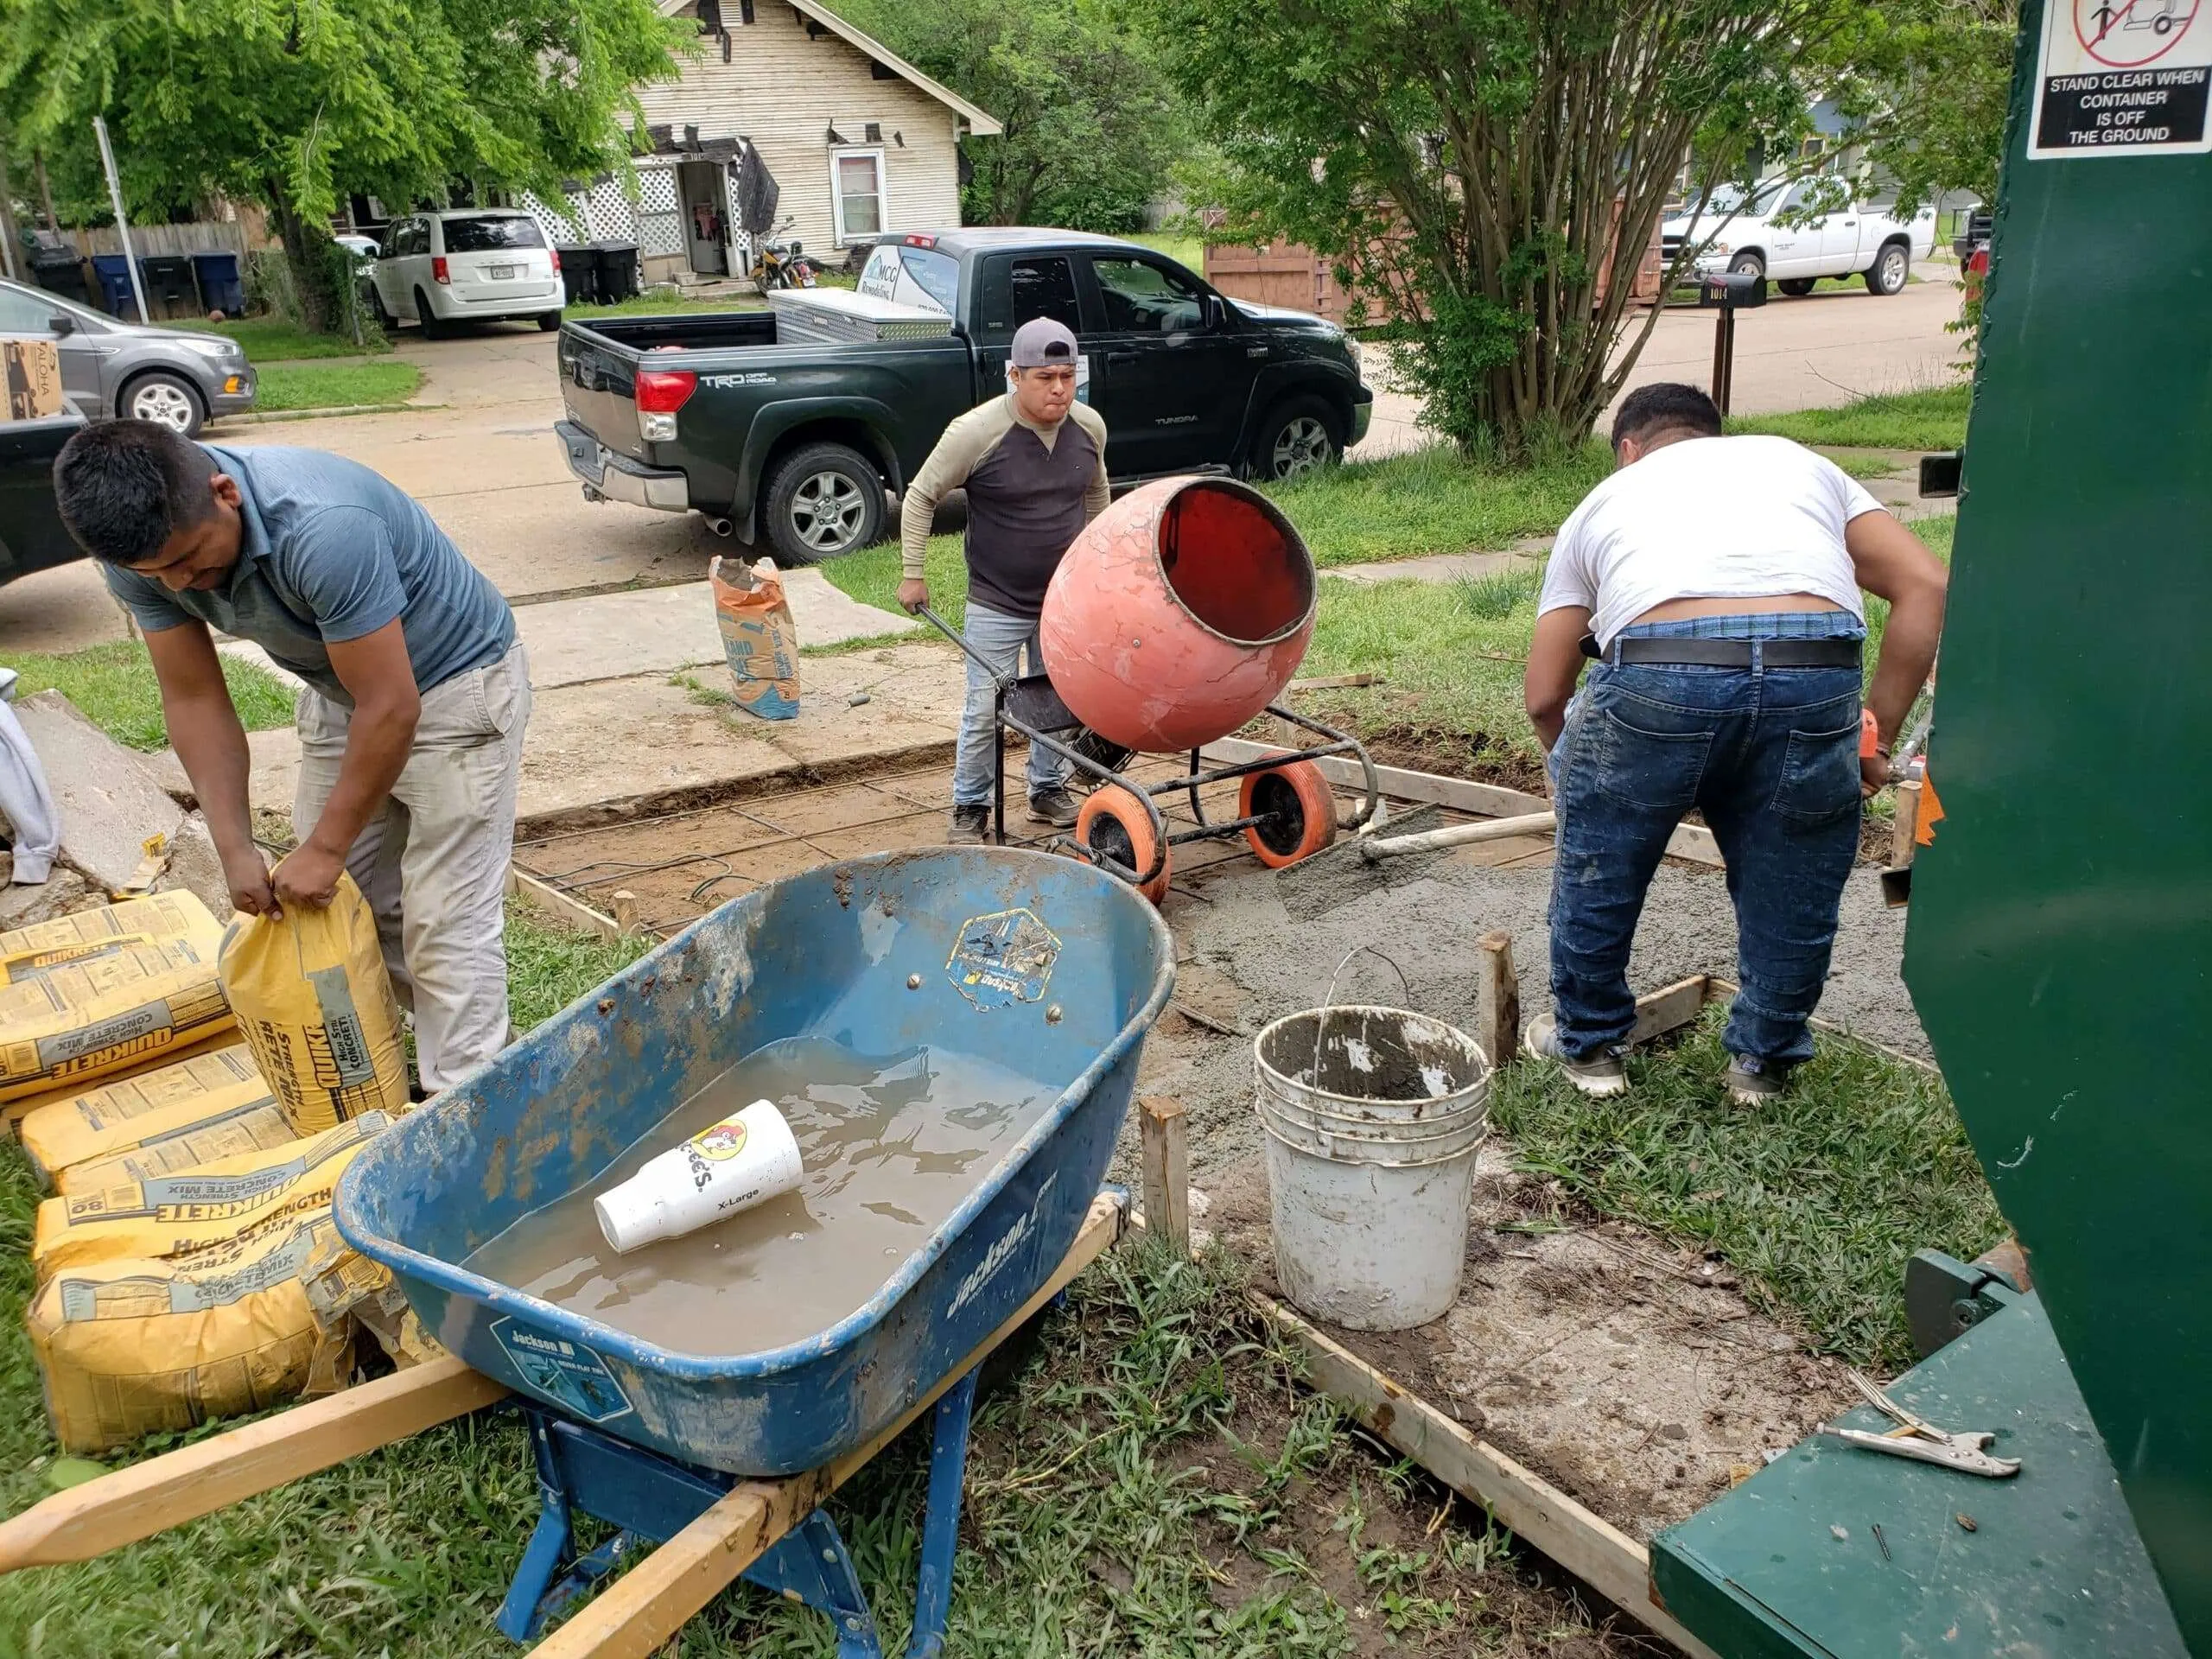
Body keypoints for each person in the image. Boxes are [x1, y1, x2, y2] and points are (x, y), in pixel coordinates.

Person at [53, 420, 531, 1095]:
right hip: (343, 687)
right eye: (155, 573)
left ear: (225, 493)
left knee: (446, 917)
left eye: (190, 559)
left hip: (457, 686)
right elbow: (194, 699)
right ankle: (419, 1055)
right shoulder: (141, 557)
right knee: (339, 902)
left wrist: (326, 847)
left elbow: (392, 706)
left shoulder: (323, 527)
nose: (180, 582)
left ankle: (469, 1102)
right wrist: (234, 846)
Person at [1521, 383, 1946, 1104]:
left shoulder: (1605, 500)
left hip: (1660, 668)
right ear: (1713, 436)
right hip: (1813, 668)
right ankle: (1762, 1065)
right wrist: (1873, 736)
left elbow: (1543, 696)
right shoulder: (1797, 463)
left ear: (1630, 450)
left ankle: (1591, 1051)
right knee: (1795, 874)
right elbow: (1928, 585)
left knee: (1604, 864)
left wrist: (1576, 771)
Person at [897, 317, 1109, 843]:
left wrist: (1099, 566)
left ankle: (1047, 789)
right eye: (1045, 378)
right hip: (996, 599)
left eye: (1068, 376)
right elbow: (921, 496)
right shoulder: (976, 432)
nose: (1059, 389)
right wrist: (913, 574)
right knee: (984, 707)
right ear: (1015, 375)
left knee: (1057, 698)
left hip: (1062, 601)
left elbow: (1096, 494)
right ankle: (969, 806)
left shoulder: (1089, 428)